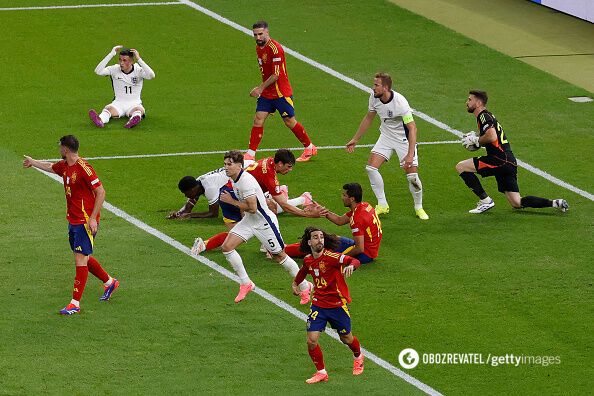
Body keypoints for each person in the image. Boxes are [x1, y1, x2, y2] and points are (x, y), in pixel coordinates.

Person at [23, 135, 119, 315]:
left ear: (66, 149)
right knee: (84, 257)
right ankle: (110, 282)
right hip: (73, 220)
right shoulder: (65, 165)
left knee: (80, 259)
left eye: (60, 146)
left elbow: (101, 192)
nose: (59, 149)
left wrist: (92, 218)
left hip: (84, 221)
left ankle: (75, 303)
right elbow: (50, 167)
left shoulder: (84, 168)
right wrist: (33, 162)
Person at [218, 151, 313, 304]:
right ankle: (246, 283)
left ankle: (304, 286)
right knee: (227, 247)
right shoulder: (235, 179)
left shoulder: (246, 182)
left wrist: (231, 201)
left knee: (279, 256)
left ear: (239, 166)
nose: (226, 168)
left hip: (264, 223)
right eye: (225, 164)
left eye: (229, 164)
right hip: (250, 221)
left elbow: (253, 208)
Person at [456, 90, 569, 213]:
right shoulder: (488, 116)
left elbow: (492, 137)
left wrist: (477, 140)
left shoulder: (483, 116)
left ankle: (485, 201)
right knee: (517, 202)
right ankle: (555, 203)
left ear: (478, 102)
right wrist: (477, 138)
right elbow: (492, 137)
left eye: (469, 99)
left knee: (461, 167)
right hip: (509, 161)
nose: (467, 102)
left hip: (499, 160)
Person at [190, 149, 319, 255]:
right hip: (235, 197)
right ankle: (271, 246)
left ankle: (204, 244)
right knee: (268, 212)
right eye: (289, 166)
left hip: (228, 192)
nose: (290, 169)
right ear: (279, 164)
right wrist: (307, 214)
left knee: (235, 233)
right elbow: (284, 205)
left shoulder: (268, 161)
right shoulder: (269, 174)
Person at [346, 73, 428, 220]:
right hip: (386, 136)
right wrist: (355, 139)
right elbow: (369, 117)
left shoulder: (400, 102)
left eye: (376, 85)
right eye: (374, 84)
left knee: (412, 177)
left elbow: (412, 128)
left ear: (386, 87)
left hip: (404, 139)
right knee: (371, 168)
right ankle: (382, 204)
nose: (373, 87)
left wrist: (410, 155)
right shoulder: (374, 97)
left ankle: (419, 207)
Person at [292, 227, 364, 384]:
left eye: (321, 237)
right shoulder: (308, 259)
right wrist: (295, 283)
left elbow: (354, 260)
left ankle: (358, 355)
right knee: (311, 340)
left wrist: (352, 266)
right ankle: (321, 372)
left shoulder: (332, 257)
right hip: (319, 304)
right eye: (316, 237)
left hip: (337, 304)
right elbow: (304, 270)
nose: (320, 240)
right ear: (309, 242)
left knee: (346, 338)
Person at [246, 21, 317, 162]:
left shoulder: (275, 48)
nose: (258, 37)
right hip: (268, 92)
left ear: (267, 32)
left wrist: (260, 88)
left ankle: (310, 147)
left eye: (260, 34)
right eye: (255, 35)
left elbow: (276, 75)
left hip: (280, 92)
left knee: (289, 121)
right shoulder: (258, 47)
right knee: (258, 119)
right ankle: (250, 154)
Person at [286, 183, 382, 264]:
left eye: (344, 195)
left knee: (319, 247)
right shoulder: (364, 206)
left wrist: (339, 259)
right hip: (368, 249)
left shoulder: (357, 219)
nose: (342, 198)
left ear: (352, 199)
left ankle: (282, 251)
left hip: (364, 254)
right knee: (329, 239)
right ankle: (285, 248)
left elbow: (359, 249)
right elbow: (339, 220)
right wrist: (321, 209)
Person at [89, 45, 155, 129]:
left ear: (131, 61)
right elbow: (98, 71)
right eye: (120, 59)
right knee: (108, 109)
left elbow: (151, 75)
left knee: (138, 110)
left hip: (134, 103)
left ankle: (133, 120)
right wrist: (111, 54)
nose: (121, 63)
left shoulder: (138, 70)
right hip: (118, 103)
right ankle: (100, 120)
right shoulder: (114, 69)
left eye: (124, 60)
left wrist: (139, 59)